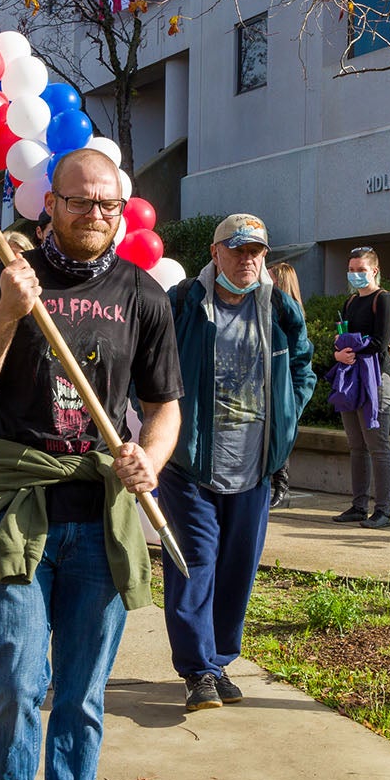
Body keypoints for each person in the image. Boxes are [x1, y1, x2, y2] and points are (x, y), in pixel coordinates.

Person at [0, 148, 182, 780]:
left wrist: (152, 454)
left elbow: (165, 405)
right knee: (17, 679)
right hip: (22, 507)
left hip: (100, 518)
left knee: (80, 694)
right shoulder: (8, 281)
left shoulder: (143, 294)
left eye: (107, 205)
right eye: (79, 202)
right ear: (50, 206)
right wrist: (10, 311)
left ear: (122, 209)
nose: (94, 215)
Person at [160, 216, 316, 711]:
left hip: (253, 467)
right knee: (195, 563)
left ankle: (219, 659)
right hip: (190, 463)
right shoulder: (184, 303)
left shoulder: (279, 308)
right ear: (215, 251)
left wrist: (287, 419)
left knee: (237, 568)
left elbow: (303, 366)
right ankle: (196, 671)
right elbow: (153, 364)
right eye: (239, 249)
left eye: (257, 251)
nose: (249, 259)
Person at [331, 247, 390, 529]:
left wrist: (351, 350)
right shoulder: (349, 302)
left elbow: (380, 343)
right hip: (351, 380)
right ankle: (359, 506)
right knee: (356, 446)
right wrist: (337, 353)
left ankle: (383, 511)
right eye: (351, 270)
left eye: (361, 270)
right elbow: (340, 338)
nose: (356, 275)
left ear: (375, 271)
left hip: (376, 381)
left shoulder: (384, 300)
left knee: (377, 446)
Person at [266, 261, 303, 509]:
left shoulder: (286, 311)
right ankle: (278, 484)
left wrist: (295, 399)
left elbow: (300, 361)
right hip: (276, 385)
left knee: (281, 434)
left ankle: (282, 484)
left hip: (283, 386)